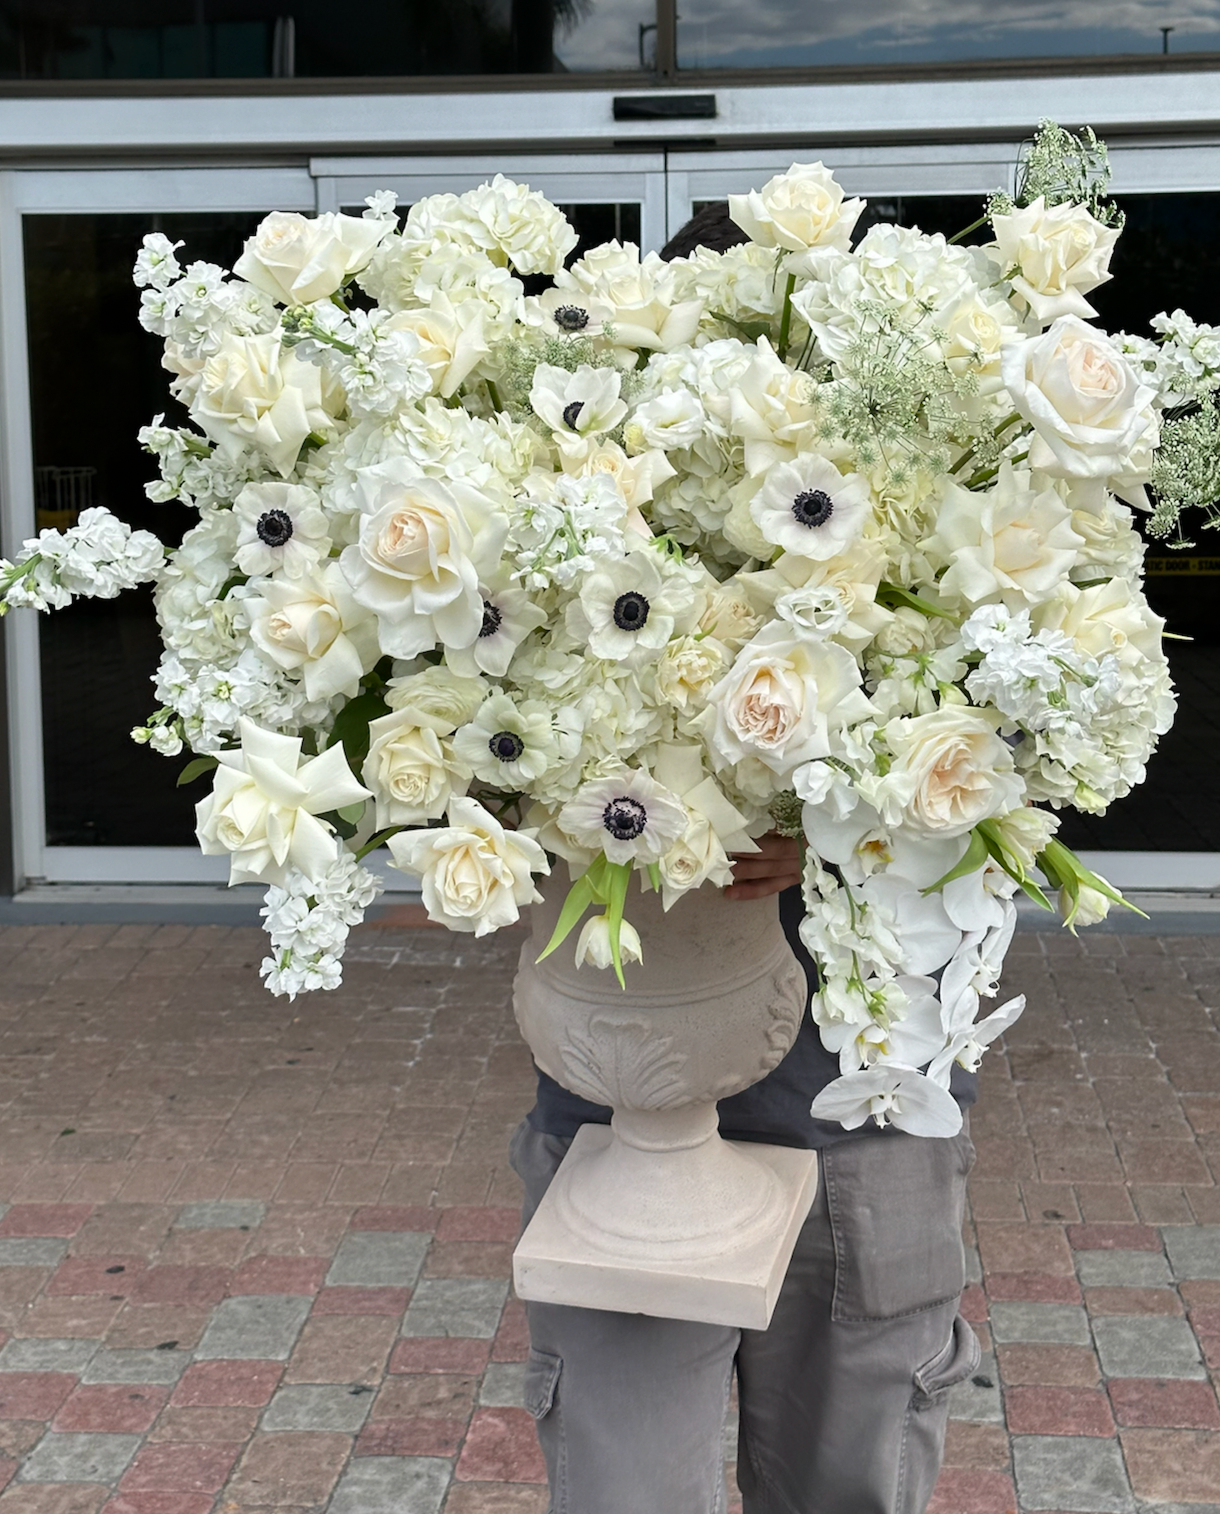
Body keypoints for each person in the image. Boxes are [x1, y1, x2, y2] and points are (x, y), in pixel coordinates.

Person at [508, 206, 980, 1514]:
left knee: (851, 1472)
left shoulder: (937, 512)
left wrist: (836, 823)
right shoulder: (563, 510)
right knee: (627, 1483)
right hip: (629, 1089)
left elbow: (1015, 784)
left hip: (865, 1096)